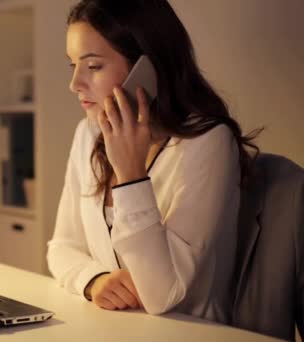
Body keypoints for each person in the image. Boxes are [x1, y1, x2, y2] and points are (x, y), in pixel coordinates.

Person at [47, 0, 260, 324]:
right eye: (72, 65)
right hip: (113, 329)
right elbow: (61, 247)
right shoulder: (89, 133)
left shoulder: (208, 143)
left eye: (93, 67)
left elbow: (162, 294)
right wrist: (93, 280)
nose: (75, 84)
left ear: (147, 70)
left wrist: (131, 175)